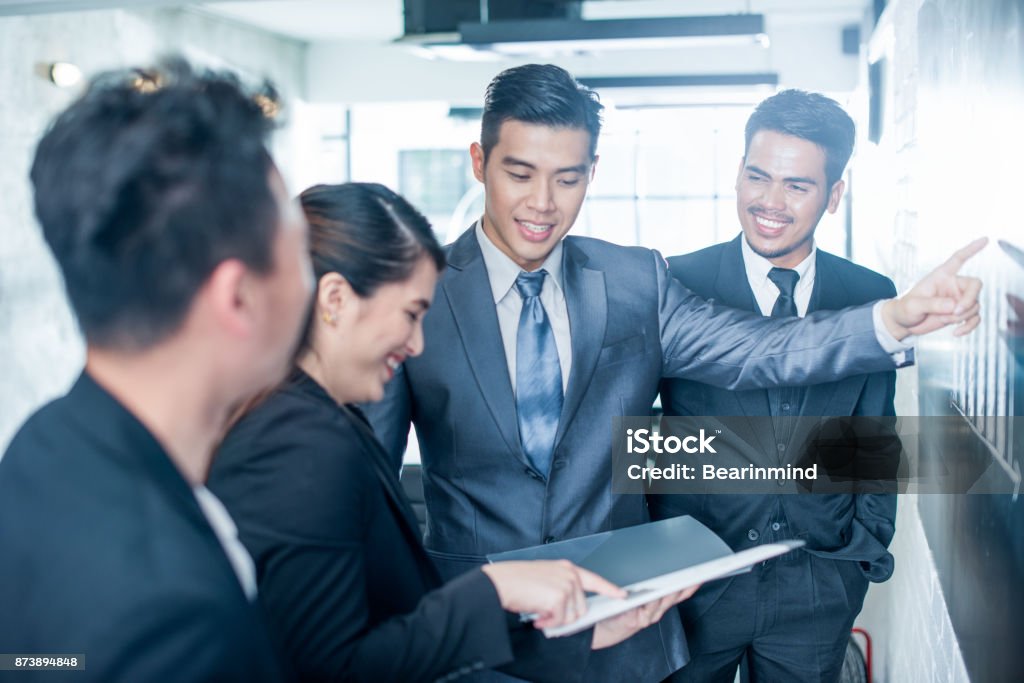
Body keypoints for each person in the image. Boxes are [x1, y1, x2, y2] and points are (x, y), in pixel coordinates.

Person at [363, 63, 984, 683]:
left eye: (568, 178)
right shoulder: (415, 293)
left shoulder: (638, 282)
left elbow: (759, 350)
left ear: (592, 175)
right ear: (480, 162)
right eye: (519, 173)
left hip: (626, 628)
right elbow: (369, 488)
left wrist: (893, 319)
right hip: (477, 633)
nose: (542, 203)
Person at [208, 182, 693, 683]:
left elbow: (391, 624)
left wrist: (581, 634)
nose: (417, 344)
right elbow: (331, 667)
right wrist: (492, 587)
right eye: (411, 314)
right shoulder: (295, 445)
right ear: (335, 299)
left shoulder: (329, 421)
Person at [0, 60, 311, 681]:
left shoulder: (44, 443)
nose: (312, 281)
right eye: (301, 249)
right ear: (238, 298)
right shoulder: (171, 619)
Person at [651, 89, 902, 682]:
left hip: (818, 585)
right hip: (693, 583)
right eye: (757, 177)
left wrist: (861, 550)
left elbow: (873, 435)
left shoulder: (869, 295)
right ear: (737, 174)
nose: (769, 201)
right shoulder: (676, 282)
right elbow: (631, 422)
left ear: (833, 195)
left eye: (797, 185)